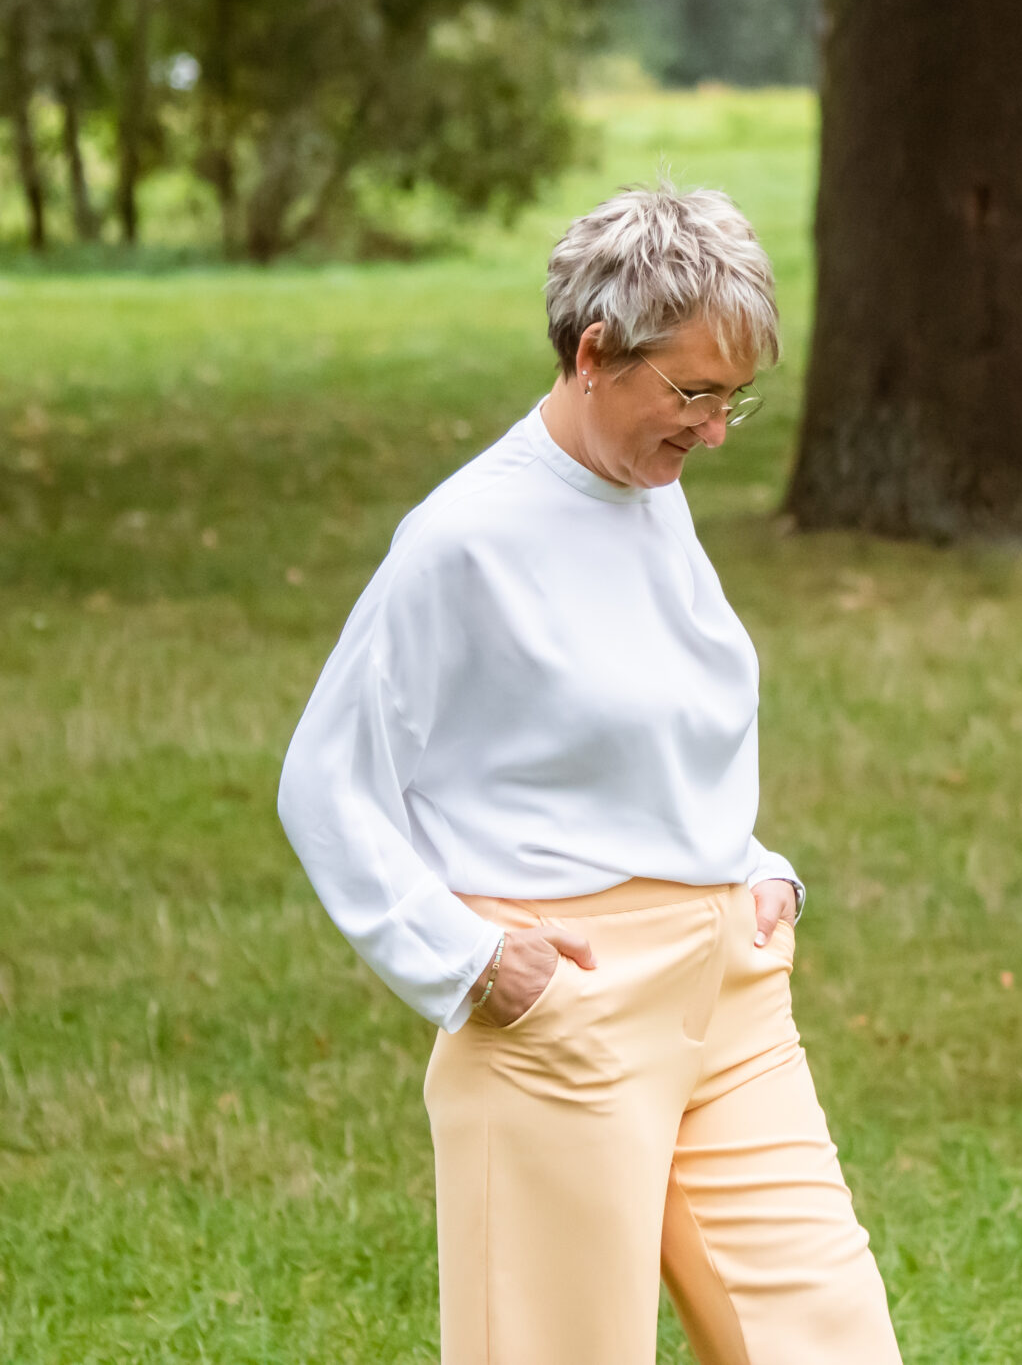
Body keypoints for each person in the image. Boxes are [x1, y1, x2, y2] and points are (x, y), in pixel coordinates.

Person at [277, 184, 902, 1365]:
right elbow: (327, 783)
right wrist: (466, 961)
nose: (716, 432)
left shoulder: (648, 493)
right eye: (694, 393)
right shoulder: (464, 539)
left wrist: (753, 869)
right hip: (568, 1004)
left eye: (734, 398)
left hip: (734, 993)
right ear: (593, 351)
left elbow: (645, 721)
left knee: (831, 1342)